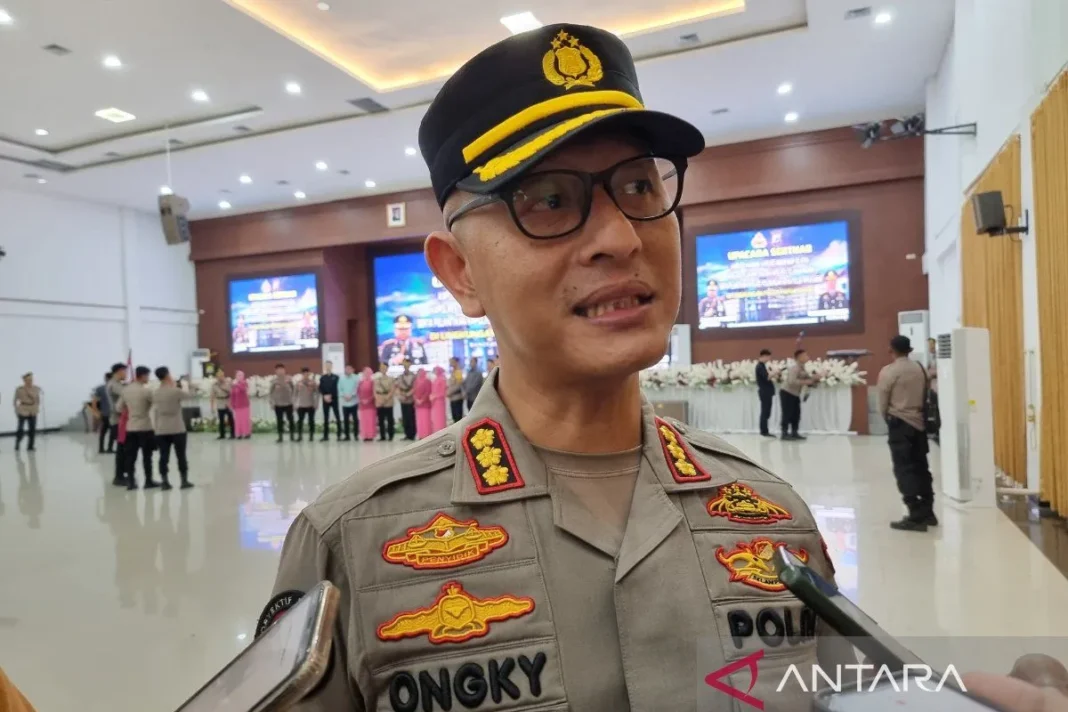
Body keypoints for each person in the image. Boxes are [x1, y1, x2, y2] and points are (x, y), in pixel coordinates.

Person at [263, 24, 854, 710]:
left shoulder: (773, 519)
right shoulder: (350, 544)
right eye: (548, 200)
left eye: (639, 187)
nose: (620, 238)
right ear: (460, 274)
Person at [877, 335, 936, 532]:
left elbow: (883, 401)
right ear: (909, 349)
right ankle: (928, 512)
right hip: (919, 425)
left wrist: (888, 419)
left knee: (904, 469)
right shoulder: (920, 368)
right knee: (921, 467)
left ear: (891, 350)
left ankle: (915, 515)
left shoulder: (889, 371)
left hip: (900, 424)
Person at [152, 366, 194, 490]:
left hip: (161, 428)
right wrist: (189, 385)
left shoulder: (155, 392)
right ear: (167, 375)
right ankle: (184, 481)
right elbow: (190, 396)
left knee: (163, 456)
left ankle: (165, 481)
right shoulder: (175, 391)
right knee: (181, 456)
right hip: (177, 427)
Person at [121, 366, 157, 490]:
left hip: (131, 427)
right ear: (143, 376)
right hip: (145, 427)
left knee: (130, 457)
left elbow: (118, 407)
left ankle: (131, 482)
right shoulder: (146, 391)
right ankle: (148, 481)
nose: (148, 378)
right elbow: (156, 403)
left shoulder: (125, 390)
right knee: (147, 456)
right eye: (148, 376)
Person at [781, 349, 817, 440]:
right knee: (787, 414)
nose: (807, 357)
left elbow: (809, 380)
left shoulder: (802, 368)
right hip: (787, 393)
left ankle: (794, 433)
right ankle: (784, 434)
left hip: (795, 394)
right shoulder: (794, 368)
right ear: (799, 357)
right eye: (805, 355)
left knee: (796, 414)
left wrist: (815, 379)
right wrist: (806, 382)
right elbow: (791, 381)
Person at [108, 364, 128, 484]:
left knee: (124, 449)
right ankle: (119, 477)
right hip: (118, 421)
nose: (126, 374)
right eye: (125, 371)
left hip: (121, 420)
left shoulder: (117, 384)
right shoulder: (114, 385)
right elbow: (126, 395)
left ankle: (122, 474)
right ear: (119, 371)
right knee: (121, 450)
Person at [13, 372, 41, 452]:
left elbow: (37, 399)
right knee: (20, 428)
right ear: (24, 380)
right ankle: (18, 442)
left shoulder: (36, 388)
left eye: (31, 380)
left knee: (32, 429)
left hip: (33, 409)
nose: (30, 381)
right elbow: (15, 400)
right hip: (23, 409)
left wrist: (36, 408)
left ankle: (30, 446)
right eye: (28, 380)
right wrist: (16, 410)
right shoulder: (19, 389)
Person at [269, 363, 296, 443]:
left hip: (289, 403)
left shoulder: (289, 379)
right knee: (279, 421)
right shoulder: (274, 381)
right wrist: (272, 403)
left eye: (282, 369)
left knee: (291, 420)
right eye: (278, 370)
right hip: (278, 404)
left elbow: (294, 391)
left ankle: (292, 436)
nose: (280, 371)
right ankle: (280, 437)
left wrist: (294, 402)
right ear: (276, 371)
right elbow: (271, 393)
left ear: (284, 370)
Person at [294, 368, 319, 442]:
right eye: (304, 373)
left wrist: (316, 403)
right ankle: (300, 436)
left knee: (311, 421)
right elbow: (294, 394)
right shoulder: (298, 383)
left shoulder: (313, 382)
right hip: (301, 405)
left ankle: (311, 436)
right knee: (300, 421)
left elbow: (317, 393)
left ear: (309, 374)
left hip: (311, 405)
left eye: (307, 373)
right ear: (302, 374)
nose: (306, 375)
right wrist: (295, 404)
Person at [394, 359, 417, 440]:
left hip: (411, 399)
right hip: (403, 399)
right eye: (404, 364)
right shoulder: (400, 376)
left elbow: (415, 387)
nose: (405, 366)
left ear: (410, 365)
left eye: (407, 364)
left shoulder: (414, 376)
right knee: (405, 417)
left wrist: (408, 394)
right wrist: (401, 395)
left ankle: (412, 434)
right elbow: (397, 387)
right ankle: (407, 434)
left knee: (411, 417)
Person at [755, 348, 776, 437]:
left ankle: (765, 430)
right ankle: (764, 431)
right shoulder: (760, 366)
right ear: (764, 356)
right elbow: (767, 377)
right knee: (765, 412)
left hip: (767, 392)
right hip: (765, 392)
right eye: (768, 357)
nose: (769, 359)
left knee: (766, 411)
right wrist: (774, 372)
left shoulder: (763, 366)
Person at [93, 373, 115, 453]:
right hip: (113, 414)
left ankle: (101, 449)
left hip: (104, 413)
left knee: (103, 432)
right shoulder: (114, 388)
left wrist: (97, 412)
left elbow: (94, 402)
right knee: (112, 432)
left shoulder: (100, 388)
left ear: (106, 378)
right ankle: (110, 448)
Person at [319, 361, 340, 442]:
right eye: (326, 365)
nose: (328, 367)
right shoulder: (322, 378)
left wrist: (331, 395)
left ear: (331, 366)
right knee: (326, 418)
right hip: (325, 399)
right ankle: (325, 436)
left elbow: (336, 388)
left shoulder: (336, 377)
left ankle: (339, 435)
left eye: (329, 365)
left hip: (334, 399)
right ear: (325, 367)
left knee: (337, 416)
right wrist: (325, 395)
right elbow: (321, 388)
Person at [373, 362, 395, 441]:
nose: (383, 369)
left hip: (388, 400)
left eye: (384, 368)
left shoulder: (391, 379)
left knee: (389, 419)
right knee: (381, 419)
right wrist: (378, 399)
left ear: (387, 368)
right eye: (381, 368)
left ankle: (390, 435)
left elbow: (392, 389)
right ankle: (382, 436)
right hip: (379, 400)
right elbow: (374, 391)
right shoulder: (376, 379)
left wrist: (386, 398)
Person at [210, 369, 234, 440]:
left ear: (224, 376)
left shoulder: (228, 383)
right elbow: (212, 396)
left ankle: (233, 434)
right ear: (216, 377)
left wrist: (224, 388)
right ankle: (222, 435)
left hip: (227, 402)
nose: (220, 378)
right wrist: (212, 407)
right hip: (220, 402)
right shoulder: (214, 385)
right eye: (219, 376)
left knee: (231, 419)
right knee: (221, 420)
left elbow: (232, 392)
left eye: (222, 376)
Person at [338, 364, 359, 442]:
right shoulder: (341, 378)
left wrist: (351, 395)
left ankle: (356, 435)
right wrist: (344, 396)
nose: (348, 370)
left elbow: (357, 388)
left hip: (354, 402)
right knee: (346, 420)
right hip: (345, 402)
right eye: (346, 369)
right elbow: (339, 389)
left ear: (352, 370)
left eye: (349, 369)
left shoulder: (356, 378)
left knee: (355, 419)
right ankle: (347, 436)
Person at [357, 367, 377, 442]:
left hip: (370, 405)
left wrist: (368, 400)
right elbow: (358, 392)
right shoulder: (360, 382)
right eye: (365, 372)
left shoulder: (373, 382)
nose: (367, 374)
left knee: (370, 421)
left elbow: (374, 393)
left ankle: (370, 435)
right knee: (363, 421)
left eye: (368, 372)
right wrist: (361, 400)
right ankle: (365, 435)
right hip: (362, 405)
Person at [231, 371, 251, 439]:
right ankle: (239, 434)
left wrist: (236, 385)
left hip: (245, 405)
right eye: (238, 375)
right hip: (237, 405)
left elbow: (243, 390)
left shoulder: (245, 383)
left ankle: (247, 433)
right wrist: (232, 404)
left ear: (243, 376)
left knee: (245, 419)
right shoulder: (234, 385)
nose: (239, 377)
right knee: (238, 420)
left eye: (240, 375)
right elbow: (232, 395)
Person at [413, 368, 432, 439]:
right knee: (419, 421)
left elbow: (428, 391)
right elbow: (414, 391)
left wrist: (422, 400)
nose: (419, 373)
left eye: (421, 372)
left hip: (425, 404)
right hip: (418, 405)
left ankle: (427, 435)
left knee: (425, 420)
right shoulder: (416, 381)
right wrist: (416, 399)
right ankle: (420, 435)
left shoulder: (427, 381)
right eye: (418, 372)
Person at [430, 365, 448, 433]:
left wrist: (435, 396)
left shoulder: (442, 379)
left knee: (440, 417)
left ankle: (441, 432)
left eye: (435, 370)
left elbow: (443, 393)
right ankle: (436, 431)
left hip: (440, 402)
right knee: (435, 418)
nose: (434, 372)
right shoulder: (436, 379)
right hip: (434, 402)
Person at [447, 358, 465, 422]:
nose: (450, 364)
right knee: (454, 417)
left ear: (456, 362)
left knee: (458, 418)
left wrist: (449, 392)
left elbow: (458, 385)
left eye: (452, 362)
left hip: (457, 398)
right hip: (452, 398)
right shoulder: (453, 371)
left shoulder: (458, 372)